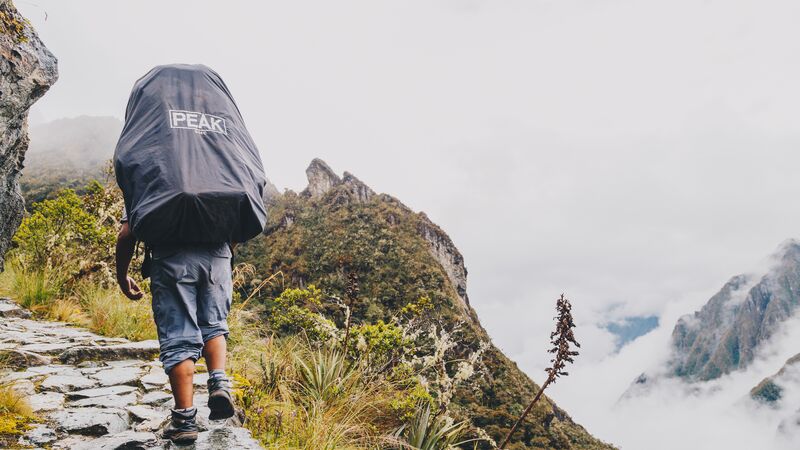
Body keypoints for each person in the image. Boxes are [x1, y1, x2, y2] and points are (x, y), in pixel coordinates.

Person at [116, 211, 236, 444]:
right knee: (214, 325)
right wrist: (224, 252)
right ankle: (219, 383)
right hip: (219, 253)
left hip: (171, 255)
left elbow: (127, 233)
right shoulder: (220, 173)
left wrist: (122, 275)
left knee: (178, 335)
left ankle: (184, 421)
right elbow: (239, 220)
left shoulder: (150, 173)